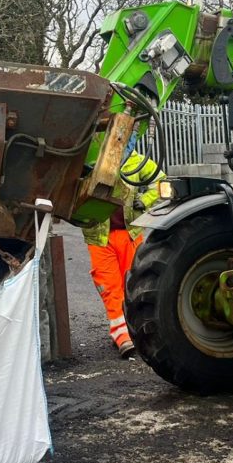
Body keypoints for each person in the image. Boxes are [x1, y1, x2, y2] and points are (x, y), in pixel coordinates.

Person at [83, 151, 163, 358]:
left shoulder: (135, 161)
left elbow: (160, 180)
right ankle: (122, 335)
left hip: (129, 234)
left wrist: (145, 201)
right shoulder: (90, 158)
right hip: (100, 237)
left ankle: (133, 332)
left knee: (133, 287)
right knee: (110, 287)